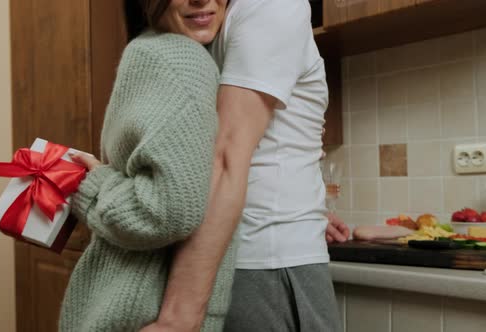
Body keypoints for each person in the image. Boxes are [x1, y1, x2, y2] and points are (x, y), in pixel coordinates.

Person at [148, 1, 350, 331]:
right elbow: (222, 153)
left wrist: (178, 317)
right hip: (250, 260)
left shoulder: (268, 7)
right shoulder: (217, 26)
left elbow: (229, 154)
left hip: (264, 258)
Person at [58, 1, 233, 331]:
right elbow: (166, 211)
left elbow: (174, 201)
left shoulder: (161, 53)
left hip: (134, 306)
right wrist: (92, 186)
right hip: (143, 311)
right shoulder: (179, 59)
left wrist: (93, 184)